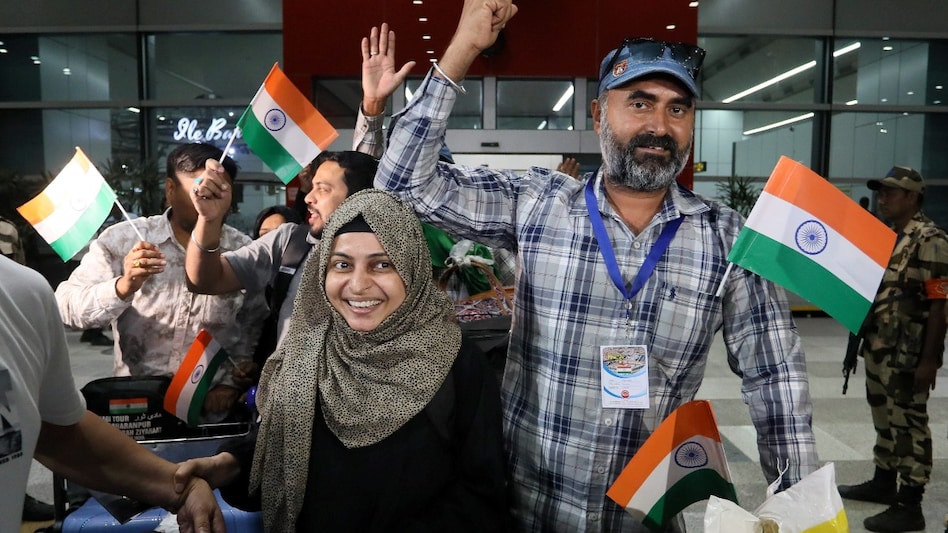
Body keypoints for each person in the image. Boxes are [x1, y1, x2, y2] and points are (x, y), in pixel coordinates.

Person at [372, 2, 819, 530]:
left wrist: (800, 510)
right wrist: (463, 49)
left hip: (645, 512)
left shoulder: (727, 237)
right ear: (598, 114)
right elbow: (401, 187)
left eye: (678, 109)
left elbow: (776, 378)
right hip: (525, 503)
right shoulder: (537, 202)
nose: (660, 125)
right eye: (640, 103)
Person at [175, 189, 509, 531]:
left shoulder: (455, 362)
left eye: (382, 264)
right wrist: (224, 466)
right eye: (342, 265)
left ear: (413, 269)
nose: (359, 284)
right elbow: (277, 455)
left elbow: (481, 499)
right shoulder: (304, 354)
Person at [0, 255, 225, 533]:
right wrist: (121, 286)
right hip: (130, 407)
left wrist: (179, 486)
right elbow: (71, 305)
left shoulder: (22, 291)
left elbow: (59, 432)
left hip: (203, 417)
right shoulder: (117, 246)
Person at [55, 142, 268, 419]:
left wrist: (232, 380)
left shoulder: (242, 251)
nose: (209, 200)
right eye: (201, 189)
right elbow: (66, 307)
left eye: (219, 191)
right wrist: (123, 286)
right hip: (136, 407)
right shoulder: (123, 240)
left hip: (209, 408)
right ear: (170, 190)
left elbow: (253, 321)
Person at [185, 150, 377, 364]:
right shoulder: (288, 241)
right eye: (312, 187)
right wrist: (209, 219)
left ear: (357, 199)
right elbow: (204, 280)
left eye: (322, 190)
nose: (308, 198)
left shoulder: (395, 260)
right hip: (288, 395)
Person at [837, 166, 948, 533]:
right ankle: (884, 482)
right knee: (884, 416)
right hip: (880, 345)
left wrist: (930, 360)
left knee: (909, 422)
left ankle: (910, 502)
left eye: (891, 192)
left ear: (913, 198)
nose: (883, 198)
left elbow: (940, 303)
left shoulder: (930, 238)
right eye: (881, 191)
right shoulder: (889, 236)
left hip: (908, 352)